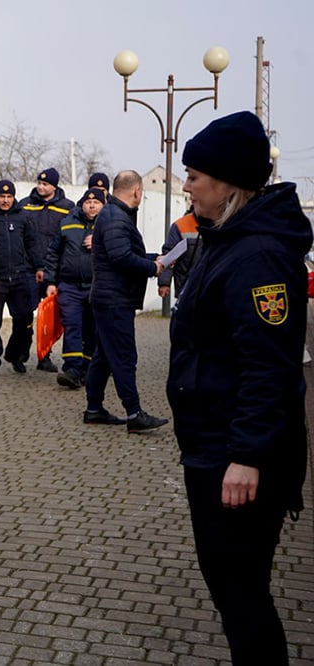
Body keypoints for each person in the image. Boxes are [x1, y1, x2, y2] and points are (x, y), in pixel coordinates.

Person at [168, 111, 311, 663]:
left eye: (195, 177)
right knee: (232, 587)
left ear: (229, 184)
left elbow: (269, 367)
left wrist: (247, 456)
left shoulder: (259, 256)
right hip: (213, 447)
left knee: (241, 592)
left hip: (238, 459)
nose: (186, 186)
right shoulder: (227, 238)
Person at [83, 170, 168, 432]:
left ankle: (94, 409)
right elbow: (121, 257)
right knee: (123, 357)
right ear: (137, 191)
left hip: (110, 297)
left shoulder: (113, 215)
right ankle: (134, 414)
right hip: (114, 299)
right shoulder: (116, 217)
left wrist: (155, 259)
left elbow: (123, 253)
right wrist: (152, 268)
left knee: (105, 357)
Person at [43, 188, 106, 389]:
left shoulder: (109, 226)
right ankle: (72, 370)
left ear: (104, 206)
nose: (92, 205)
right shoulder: (67, 223)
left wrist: (98, 242)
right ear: (82, 204)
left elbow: (121, 251)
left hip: (96, 287)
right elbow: (53, 254)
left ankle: (88, 369)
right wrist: (50, 282)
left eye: (96, 202)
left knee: (93, 330)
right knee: (72, 327)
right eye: (88, 202)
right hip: (69, 286)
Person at [0, 179, 41, 375]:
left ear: (14, 197)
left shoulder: (23, 217)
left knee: (24, 320)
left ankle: (16, 355)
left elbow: (32, 244)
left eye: (9, 197)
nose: (5, 200)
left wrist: (40, 267)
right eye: (2, 196)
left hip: (19, 277)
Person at [22, 167, 74, 372]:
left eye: (45, 184)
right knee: (24, 314)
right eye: (39, 183)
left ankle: (45, 356)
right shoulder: (25, 205)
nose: (40, 187)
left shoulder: (67, 207)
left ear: (54, 186)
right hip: (28, 268)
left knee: (51, 317)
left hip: (54, 271)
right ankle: (21, 352)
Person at [157, 208, 202, 301]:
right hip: (186, 288)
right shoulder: (180, 226)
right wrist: (164, 283)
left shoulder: (223, 223)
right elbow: (169, 254)